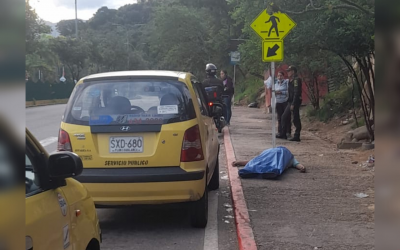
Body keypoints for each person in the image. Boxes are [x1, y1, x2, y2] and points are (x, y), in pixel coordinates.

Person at [232, 146, 306, 180]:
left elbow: (256, 160)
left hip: (270, 153)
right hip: (274, 154)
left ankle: (248, 170)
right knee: (275, 164)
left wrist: (240, 162)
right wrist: (302, 167)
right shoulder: (291, 158)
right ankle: (270, 171)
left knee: (259, 162)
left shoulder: (289, 157)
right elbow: (297, 164)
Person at [264, 71, 290, 138]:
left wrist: (282, 92)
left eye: (281, 75)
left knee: (286, 117)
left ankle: (287, 132)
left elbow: (289, 91)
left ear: (283, 76)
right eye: (278, 76)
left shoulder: (286, 83)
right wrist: (275, 92)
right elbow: (273, 91)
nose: (279, 77)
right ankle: (280, 132)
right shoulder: (276, 84)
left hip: (285, 101)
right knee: (279, 118)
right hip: (278, 102)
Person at [281, 65, 302, 141]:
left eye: (289, 71)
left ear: (293, 71)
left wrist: (293, 103)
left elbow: (296, 93)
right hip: (290, 101)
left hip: (294, 101)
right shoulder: (291, 80)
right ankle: (284, 133)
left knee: (296, 118)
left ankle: (297, 135)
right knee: (284, 117)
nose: (288, 72)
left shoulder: (296, 80)